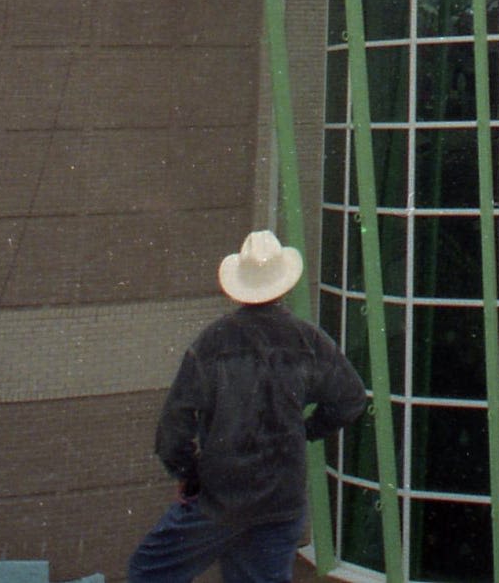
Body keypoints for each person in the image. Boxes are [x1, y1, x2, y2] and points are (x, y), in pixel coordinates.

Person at [127, 230, 367, 583]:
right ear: (283, 286)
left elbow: (173, 429)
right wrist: (306, 431)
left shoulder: (212, 343)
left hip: (222, 499)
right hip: (281, 502)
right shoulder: (308, 340)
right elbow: (351, 399)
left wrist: (188, 475)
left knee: (148, 570)